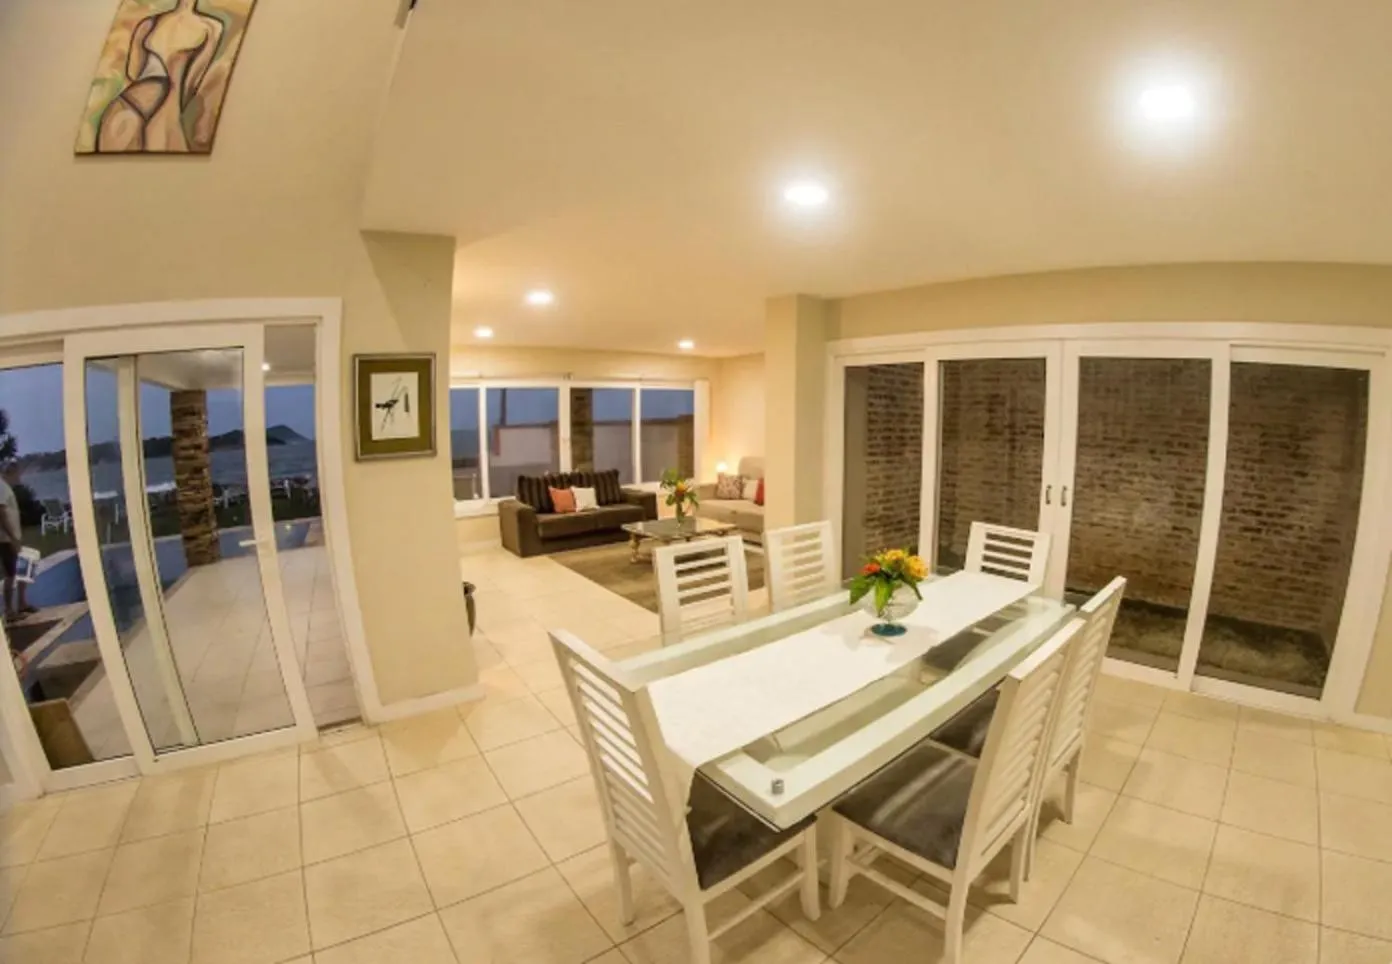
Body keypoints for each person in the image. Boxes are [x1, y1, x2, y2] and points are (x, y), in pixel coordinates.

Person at [0, 463, 35, 623]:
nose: (19, 478)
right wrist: (12, 537)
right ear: (11, 472)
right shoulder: (1, 487)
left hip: (11, 537)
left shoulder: (6, 487)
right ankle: (9, 611)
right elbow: (1, 513)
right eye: (17, 475)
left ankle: (22, 603)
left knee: (27, 562)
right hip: (5, 539)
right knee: (11, 573)